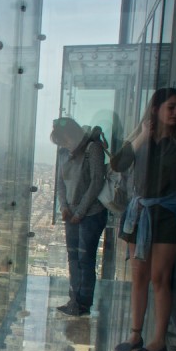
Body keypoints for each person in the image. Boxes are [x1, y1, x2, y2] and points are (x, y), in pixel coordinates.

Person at [111, 88, 176, 351]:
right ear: (155, 109)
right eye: (171, 107)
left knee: (159, 278)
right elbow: (117, 164)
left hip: (167, 214)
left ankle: (159, 340)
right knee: (138, 276)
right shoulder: (142, 140)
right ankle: (135, 333)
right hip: (139, 213)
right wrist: (142, 136)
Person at [53, 117, 107, 316]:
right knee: (73, 257)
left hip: (91, 213)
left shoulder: (92, 149)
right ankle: (74, 299)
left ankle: (83, 303)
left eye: (65, 140)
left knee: (85, 259)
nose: (64, 144)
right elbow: (60, 182)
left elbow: (96, 183)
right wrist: (64, 207)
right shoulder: (62, 153)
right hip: (72, 214)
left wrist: (80, 212)